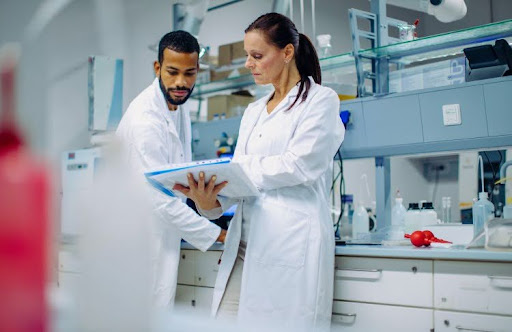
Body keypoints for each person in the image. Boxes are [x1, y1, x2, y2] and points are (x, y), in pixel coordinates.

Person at [176, 12, 345, 331]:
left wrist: (234, 172)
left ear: (286, 52)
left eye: (257, 56)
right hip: (244, 243)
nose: (249, 64)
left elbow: (300, 165)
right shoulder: (253, 111)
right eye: (247, 56)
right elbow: (237, 182)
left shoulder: (320, 101)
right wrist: (208, 199)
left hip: (288, 242)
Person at [115, 30, 227, 308]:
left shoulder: (177, 106)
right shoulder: (145, 119)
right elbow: (156, 198)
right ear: (157, 68)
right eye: (173, 72)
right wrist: (217, 233)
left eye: (189, 73)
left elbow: (177, 179)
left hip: (162, 235)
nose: (181, 82)